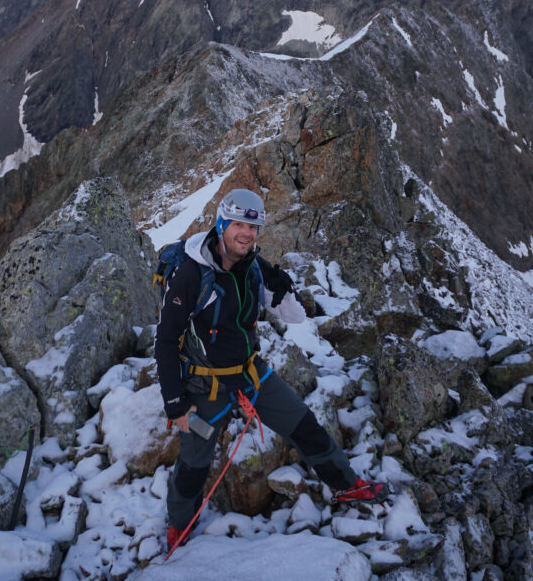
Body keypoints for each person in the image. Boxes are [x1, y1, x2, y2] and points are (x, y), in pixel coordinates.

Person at [154, 187, 387, 551]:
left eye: (254, 228)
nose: (247, 235)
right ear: (221, 225)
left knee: (303, 424)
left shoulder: (254, 269)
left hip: (250, 373)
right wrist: (175, 406)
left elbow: (294, 318)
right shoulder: (189, 273)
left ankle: (346, 484)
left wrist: (284, 289)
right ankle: (179, 526)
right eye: (238, 226)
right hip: (204, 385)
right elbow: (166, 341)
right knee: (193, 464)